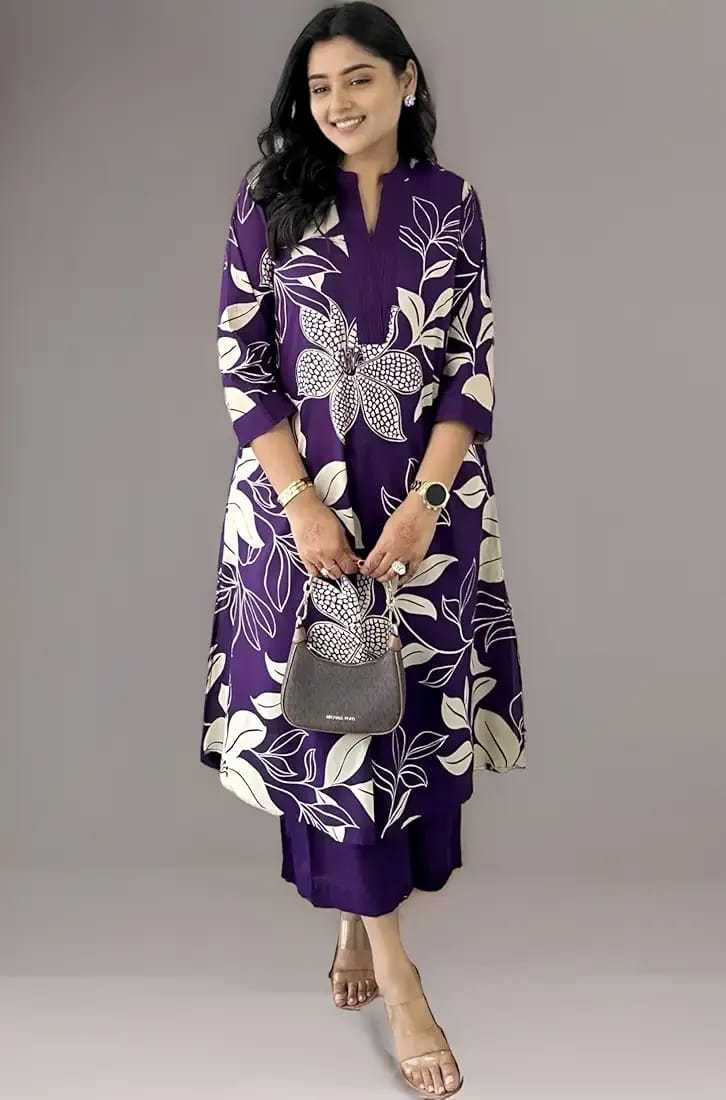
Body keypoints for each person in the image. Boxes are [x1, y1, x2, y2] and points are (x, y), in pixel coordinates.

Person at [200, 3, 527, 1094]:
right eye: (319, 87)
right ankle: (401, 978)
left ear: (406, 81)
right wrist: (300, 504)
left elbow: (471, 363)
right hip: (304, 518)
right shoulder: (270, 201)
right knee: (339, 735)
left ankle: (355, 924)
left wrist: (429, 499)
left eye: (358, 80)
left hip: (424, 515)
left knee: (398, 728)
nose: (336, 103)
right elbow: (242, 360)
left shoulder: (452, 203)